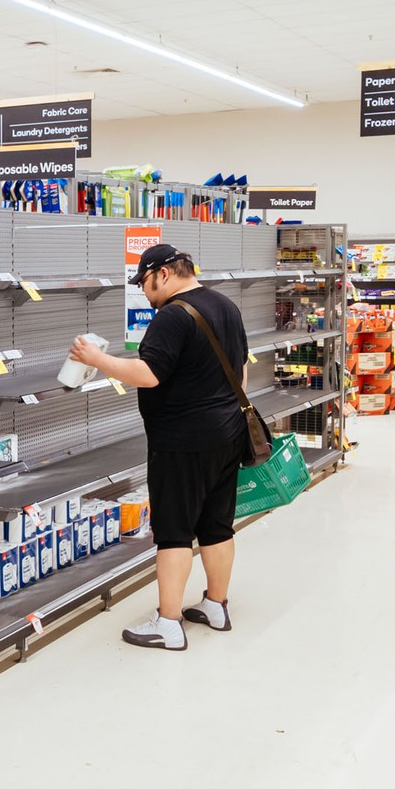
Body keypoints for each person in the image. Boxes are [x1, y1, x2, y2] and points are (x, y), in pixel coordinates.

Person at [67, 242, 249, 651]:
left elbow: (148, 374)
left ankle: (168, 624)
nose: (145, 295)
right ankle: (216, 606)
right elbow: (240, 372)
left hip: (182, 441)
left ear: (163, 274)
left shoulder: (172, 315)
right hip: (228, 433)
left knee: (173, 532)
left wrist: (96, 358)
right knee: (217, 525)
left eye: (145, 285)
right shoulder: (226, 306)